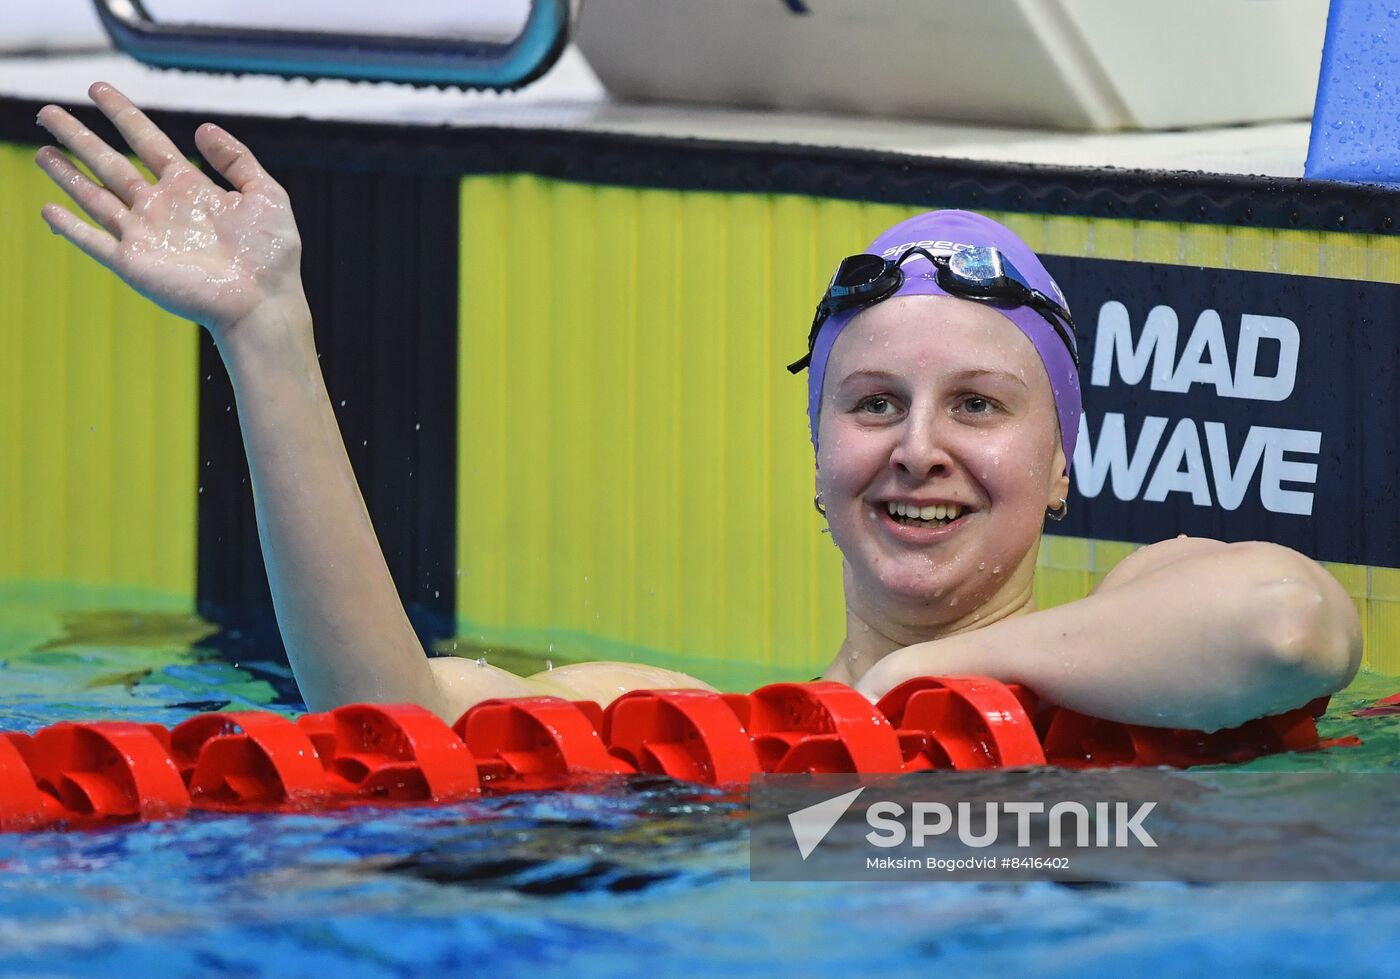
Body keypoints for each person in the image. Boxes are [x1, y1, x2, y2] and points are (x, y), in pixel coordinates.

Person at [34, 83, 1361, 732]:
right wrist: (268, 338)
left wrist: (917, 677)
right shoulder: (704, 722)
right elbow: (391, 720)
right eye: (873, 403)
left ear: (1062, 464)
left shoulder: (1139, 628)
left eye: (979, 404)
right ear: (818, 458)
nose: (916, 447)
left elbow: (1289, 625)